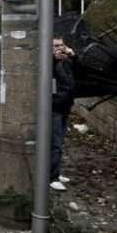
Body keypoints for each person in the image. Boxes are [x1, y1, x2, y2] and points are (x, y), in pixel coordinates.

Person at [50, 36, 77, 192]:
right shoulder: (49, 61)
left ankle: (55, 172)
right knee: (55, 144)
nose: (59, 48)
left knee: (58, 143)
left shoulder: (65, 61)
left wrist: (74, 56)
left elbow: (81, 70)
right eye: (55, 45)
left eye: (61, 44)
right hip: (54, 107)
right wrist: (54, 59)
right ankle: (52, 177)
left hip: (64, 106)